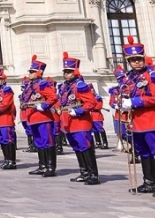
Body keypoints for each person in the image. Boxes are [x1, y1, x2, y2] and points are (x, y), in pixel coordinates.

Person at [120, 38, 155, 196]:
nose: (136, 62)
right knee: (143, 151)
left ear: (144, 58)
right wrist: (122, 101)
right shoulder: (129, 78)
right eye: (132, 60)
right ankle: (149, 183)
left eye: (139, 59)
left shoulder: (153, 76)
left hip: (154, 120)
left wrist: (134, 101)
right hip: (137, 121)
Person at [58, 53, 101, 185]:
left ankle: (93, 174)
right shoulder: (64, 86)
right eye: (65, 72)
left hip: (80, 122)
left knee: (85, 147)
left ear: (75, 72)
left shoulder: (80, 85)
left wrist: (79, 111)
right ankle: (84, 172)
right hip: (69, 122)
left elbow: (91, 102)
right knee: (77, 147)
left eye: (69, 72)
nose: (66, 74)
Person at [21, 55, 59, 178]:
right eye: (30, 72)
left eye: (32, 72)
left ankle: (50, 167)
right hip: (33, 118)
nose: (30, 74)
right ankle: (42, 165)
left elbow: (53, 97)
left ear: (39, 72)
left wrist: (44, 106)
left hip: (43, 117)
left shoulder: (43, 84)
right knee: (39, 142)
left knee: (47, 141)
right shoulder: (29, 86)